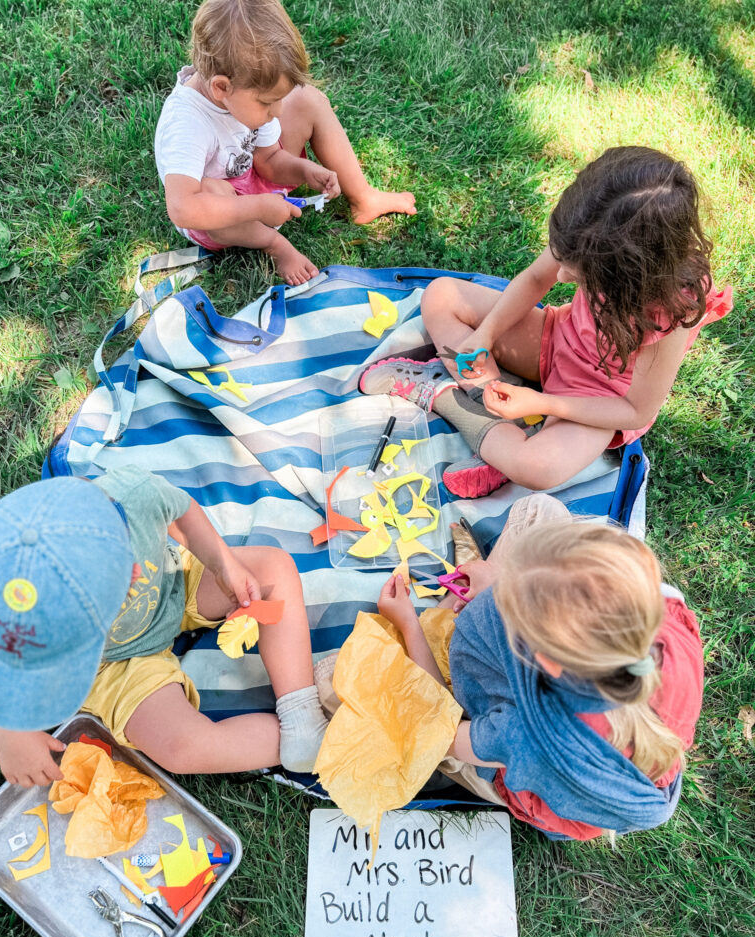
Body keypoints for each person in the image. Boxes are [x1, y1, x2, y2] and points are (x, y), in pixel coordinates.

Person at [360, 146, 732, 497]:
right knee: (441, 294)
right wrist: (486, 336)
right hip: (556, 340)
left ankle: (446, 398)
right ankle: (503, 425)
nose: (564, 277)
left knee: (538, 467)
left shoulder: (675, 309)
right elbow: (536, 279)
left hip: (600, 399)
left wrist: (544, 403)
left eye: (583, 273)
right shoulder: (592, 228)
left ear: (631, 272)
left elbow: (637, 409)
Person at [376, 494, 704, 839]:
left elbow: (439, 730)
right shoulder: (671, 629)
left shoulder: (526, 736)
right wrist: (500, 585)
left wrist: (410, 625)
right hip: (568, 742)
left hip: (529, 776)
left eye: (510, 603)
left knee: (341, 684)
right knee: (541, 510)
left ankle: (441, 619)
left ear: (539, 657)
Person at [0, 466, 328, 787]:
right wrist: (8, 737)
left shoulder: (134, 494)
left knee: (272, 568)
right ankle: (318, 737)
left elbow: (181, 513)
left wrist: (223, 565)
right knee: (182, 748)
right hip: (114, 669)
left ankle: (301, 708)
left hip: (169, 586)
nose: (133, 578)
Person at [155, 0, 417, 286]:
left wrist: (304, 170)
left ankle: (364, 198)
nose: (278, 111)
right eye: (268, 102)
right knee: (211, 191)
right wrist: (257, 208)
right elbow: (184, 208)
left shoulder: (241, 96)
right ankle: (275, 245)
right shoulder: (187, 123)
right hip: (219, 217)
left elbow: (268, 160)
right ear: (221, 87)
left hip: (249, 176)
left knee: (307, 100)